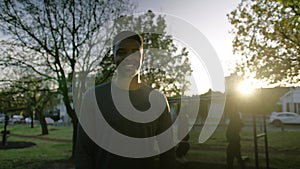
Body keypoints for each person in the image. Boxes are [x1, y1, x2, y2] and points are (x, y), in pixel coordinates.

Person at [75, 31, 177, 169]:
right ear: (113, 59)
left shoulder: (158, 99)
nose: (129, 57)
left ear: (142, 58)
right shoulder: (93, 97)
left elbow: (168, 154)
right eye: (122, 52)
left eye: (135, 52)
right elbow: (83, 151)